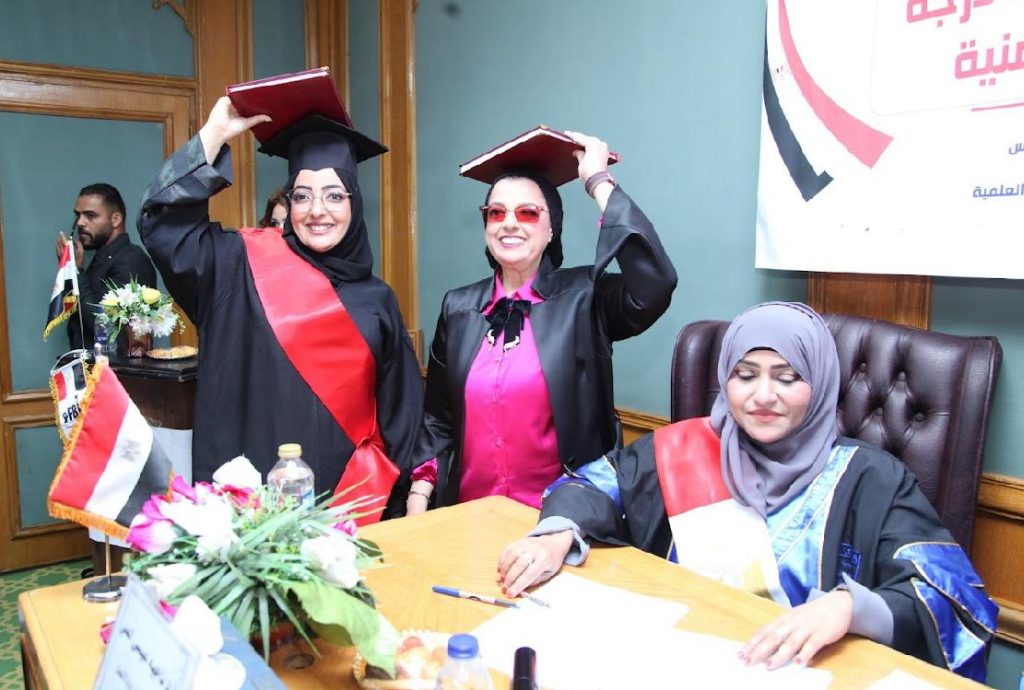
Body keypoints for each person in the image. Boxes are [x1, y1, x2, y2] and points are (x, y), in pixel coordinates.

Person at [498, 302, 997, 680]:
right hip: (677, 661)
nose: (762, 396)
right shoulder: (685, 447)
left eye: (788, 377)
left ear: (821, 383)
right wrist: (557, 532)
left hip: (804, 671)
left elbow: (952, 597)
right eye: (745, 375)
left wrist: (849, 608)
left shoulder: (872, 478)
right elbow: (596, 484)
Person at [137, 97, 424, 519]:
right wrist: (213, 135)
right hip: (255, 510)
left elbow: (403, 413)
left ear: (355, 203)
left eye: (335, 195)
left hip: (352, 509)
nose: (317, 211)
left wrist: (413, 497)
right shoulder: (238, 265)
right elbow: (164, 227)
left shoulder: (377, 299)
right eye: (302, 196)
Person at [406, 131, 677, 514]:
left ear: (552, 230)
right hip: (469, 521)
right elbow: (438, 419)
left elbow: (654, 286)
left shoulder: (586, 298)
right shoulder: (458, 308)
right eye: (496, 213)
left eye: (528, 213)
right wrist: (419, 496)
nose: (509, 223)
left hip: (559, 524)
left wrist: (598, 182)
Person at [53, 183, 157, 350]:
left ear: (115, 219)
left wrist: (76, 272)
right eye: (78, 215)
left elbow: (109, 330)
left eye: (90, 215)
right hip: (91, 365)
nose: (80, 223)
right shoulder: (103, 258)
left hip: (115, 367)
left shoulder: (131, 260)